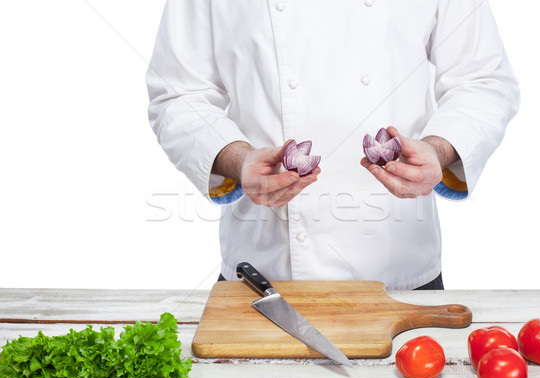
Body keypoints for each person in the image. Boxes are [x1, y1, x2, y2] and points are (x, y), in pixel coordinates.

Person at [146, 0, 519, 290]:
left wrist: (437, 149)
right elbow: (178, 93)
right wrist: (238, 160)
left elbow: (482, 81)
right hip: (262, 277)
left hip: (401, 276)